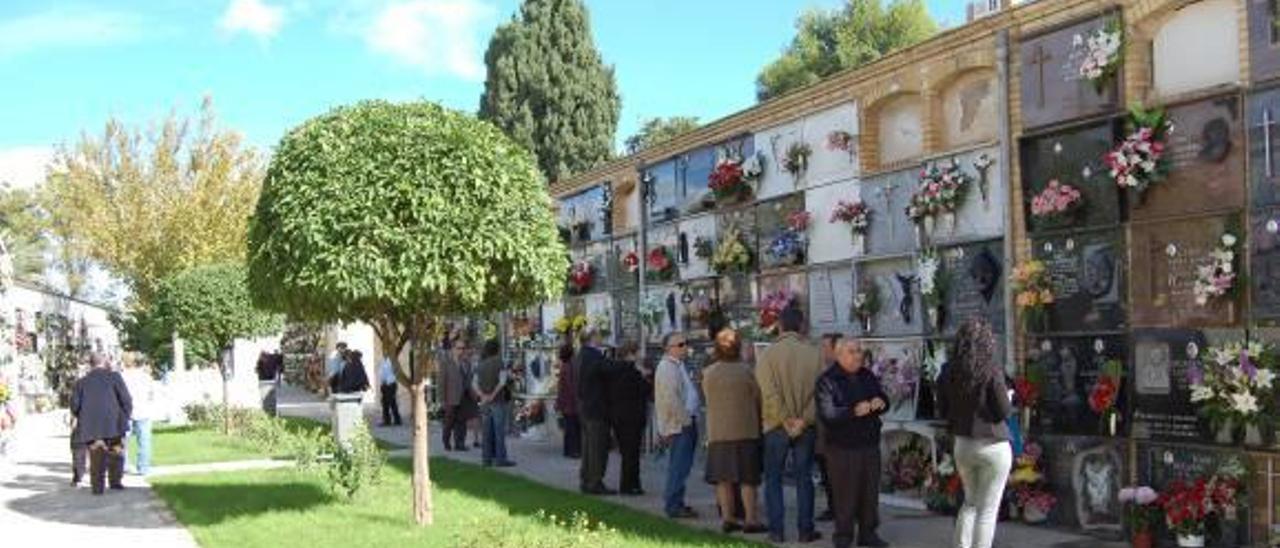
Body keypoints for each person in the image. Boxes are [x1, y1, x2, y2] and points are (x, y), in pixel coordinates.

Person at [939, 318, 1014, 548]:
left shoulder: (947, 371)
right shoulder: (991, 370)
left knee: (969, 504)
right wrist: (1009, 397)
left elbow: (943, 409)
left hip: (963, 445)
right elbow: (1003, 411)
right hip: (993, 445)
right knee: (987, 510)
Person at [755, 306, 824, 544]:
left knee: (773, 478)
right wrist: (802, 419)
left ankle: (776, 531)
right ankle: (806, 530)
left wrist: (785, 419)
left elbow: (769, 394)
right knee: (804, 478)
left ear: (780, 326)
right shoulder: (815, 355)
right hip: (805, 425)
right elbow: (820, 394)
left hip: (776, 425)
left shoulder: (767, 355)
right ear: (802, 326)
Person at [817, 338, 890, 548]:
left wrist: (881, 402)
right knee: (845, 495)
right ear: (839, 355)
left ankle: (868, 533)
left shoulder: (867, 375)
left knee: (869, 493)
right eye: (852, 351)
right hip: (842, 448)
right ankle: (843, 537)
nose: (858, 355)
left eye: (859, 350)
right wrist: (853, 411)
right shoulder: (827, 380)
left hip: (868, 444)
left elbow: (883, 397)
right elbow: (828, 414)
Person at [702, 325, 766, 535]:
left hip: (718, 432)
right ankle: (750, 519)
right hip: (746, 430)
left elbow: (707, 397)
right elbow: (758, 398)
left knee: (723, 479)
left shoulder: (709, 373)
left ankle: (728, 518)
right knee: (748, 479)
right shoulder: (747, 371)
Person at [70, 354, 132, 495]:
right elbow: (126, 399)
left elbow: (74, 405)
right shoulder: (115, 377)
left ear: (90, 364)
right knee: (116, 451)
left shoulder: (81, 382)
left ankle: (97, 486)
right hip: (114, 422)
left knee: (96, 455)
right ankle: (115, 481)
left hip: (91, 425)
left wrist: (80, 416)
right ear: (105, 363)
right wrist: (125, 416)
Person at [654, 331, 699, 518]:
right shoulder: (666, 367)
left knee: (682, 466)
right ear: (668, 348)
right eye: (680, 345)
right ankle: (673, 505)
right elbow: (671, 400)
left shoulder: (678, 365)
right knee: (678, 467)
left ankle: (677, 501)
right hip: (680, 424)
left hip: (686, 421)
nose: (684, 347)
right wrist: (685, 420)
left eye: (685, 343)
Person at [608, 340, 651, 496]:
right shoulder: (631, 371)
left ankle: (631, 483)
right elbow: (644, 390)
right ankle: (629, 485)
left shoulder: (614, 369)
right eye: (637, 352)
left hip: (619, 416)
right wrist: (644, 375)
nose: (640, 355)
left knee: (627, 452)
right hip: (632, 416)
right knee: (632, 453)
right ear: (631, 354)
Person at [575, 327, 613, 494]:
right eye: (598, 335)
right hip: (596, 406)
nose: (600, 338)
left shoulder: (580, 355)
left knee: (588, 445)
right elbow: (607, 372)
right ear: (592, 337)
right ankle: (595, 482)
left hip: (584, 405)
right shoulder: (593, 356)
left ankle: (586, 479)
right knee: (597, 446)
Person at [473, 339, 516, 467]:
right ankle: (501, 459)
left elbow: (474, 384)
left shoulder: (480, 364)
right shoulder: (499, 362)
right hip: (497, 401)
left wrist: (483, 396)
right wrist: (492, 395)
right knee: (499, 431)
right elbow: (502, 382)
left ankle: (486, 459)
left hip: (485, 402)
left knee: (486, 431)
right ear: (497, 349)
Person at [815, 332, 842, 522]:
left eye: (826, 347)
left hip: (836, 435)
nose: (823, 351)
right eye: (822, 347)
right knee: (827, 475)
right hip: (822, 434)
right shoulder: (821, 370)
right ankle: (833, 507)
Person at [120, 355, 157, 476]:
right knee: (144, 441)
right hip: (143, 411)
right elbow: (151, 394)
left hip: (126, 412)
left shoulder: (122, 376)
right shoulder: (146, 377)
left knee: (123, 440)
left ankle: (123, 465)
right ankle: (143, 467)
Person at [436, 339, 470, 450]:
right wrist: (442, 399)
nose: (461, 351)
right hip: (450, 397)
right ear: (453, 349)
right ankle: (446, 441)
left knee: (462, 422)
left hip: (464, 397)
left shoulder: (465, 362)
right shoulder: (446, 363)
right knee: (449, 422)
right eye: (459, 348)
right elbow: (441, 382)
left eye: (463, 348)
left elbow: (467, 379)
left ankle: (460, 443)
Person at [554, 343, 581, 459]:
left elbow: (563, 386)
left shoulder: (565, 365)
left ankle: (568, 450)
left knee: (569, 426)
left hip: (566, 401)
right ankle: (573, 451)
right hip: (571, 402)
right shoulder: (569, 366)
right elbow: (571, 385)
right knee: (572, 426)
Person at [378, 355, 402, 427]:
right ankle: (387, 420)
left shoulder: (392, 361)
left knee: (391, 402)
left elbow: (396, 372)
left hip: (391, 384)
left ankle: (396, 419)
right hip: (384, 384)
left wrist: (390, 381)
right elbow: (381, 373)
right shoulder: (383, 361)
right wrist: (382, 382)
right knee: (385, 403)